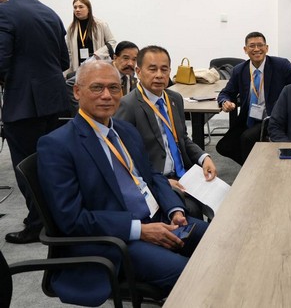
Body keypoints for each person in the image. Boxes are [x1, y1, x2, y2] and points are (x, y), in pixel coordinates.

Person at [37, 61, 208, 306]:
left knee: (219, 240)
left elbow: (152, 176)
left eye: (114, 88)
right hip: (115, 240)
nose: (107, 95)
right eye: (97, 88)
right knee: (192, 274)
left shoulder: (125, 130)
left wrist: (175, 210)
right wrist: (140, 230)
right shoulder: (58, 145)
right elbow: (72, 220)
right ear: (77, 92)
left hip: (159, 218)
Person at [0, 0, 70, 244]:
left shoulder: (5, 12)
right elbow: (63, 61)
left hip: (23, 104)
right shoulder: (50, 12)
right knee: (49, 163)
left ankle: (37, 224)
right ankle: (53, 217)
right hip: (54, 101)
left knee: (26, 167)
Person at [115, 45, 217, 218]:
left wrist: (204, 157)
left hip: (185, 174)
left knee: (223, 199)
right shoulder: (128, 105)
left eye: (164, 69)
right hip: (157, 180)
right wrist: (162, 182)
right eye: (152, 69)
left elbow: (182, 138)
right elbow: (125, 157)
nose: (159, 75)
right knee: (193, 210)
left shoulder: (174, 99)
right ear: (138, 71)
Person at [217, 32, 291, 164]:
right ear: (245, 49)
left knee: (247, 138)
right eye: (252, 46)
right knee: (223, 146)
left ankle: (251, 171)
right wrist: (225, 101)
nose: (256, 49)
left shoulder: (280, 65)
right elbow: (226, 92)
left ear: (266, 48)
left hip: (272, 117)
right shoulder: (239, 70)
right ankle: (255, 165)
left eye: (260, 45)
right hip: (249, 118)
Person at [65, 0, 116, 74]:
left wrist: (99, 53)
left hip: (97, 65)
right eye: (75, 7)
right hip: (78, 69)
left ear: (88, 9)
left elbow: (112, 42)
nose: (77, 10)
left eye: (81, 7)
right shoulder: (71, 28)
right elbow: (68, 51)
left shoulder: (100, 24)